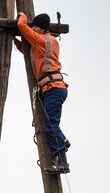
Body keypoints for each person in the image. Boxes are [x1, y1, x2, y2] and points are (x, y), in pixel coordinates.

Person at [13, 12, 70, 173]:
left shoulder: (40, 40)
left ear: (40, 28)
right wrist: (16, 42)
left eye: (34, 26)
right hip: (55, 88)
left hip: (53, 88)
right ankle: (62, 142)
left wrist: (22, 15)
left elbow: (21, 26)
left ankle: (63, 161)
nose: (32, 29)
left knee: (50, 125)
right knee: (51, 123)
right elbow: (32, 54)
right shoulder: (49, 41)